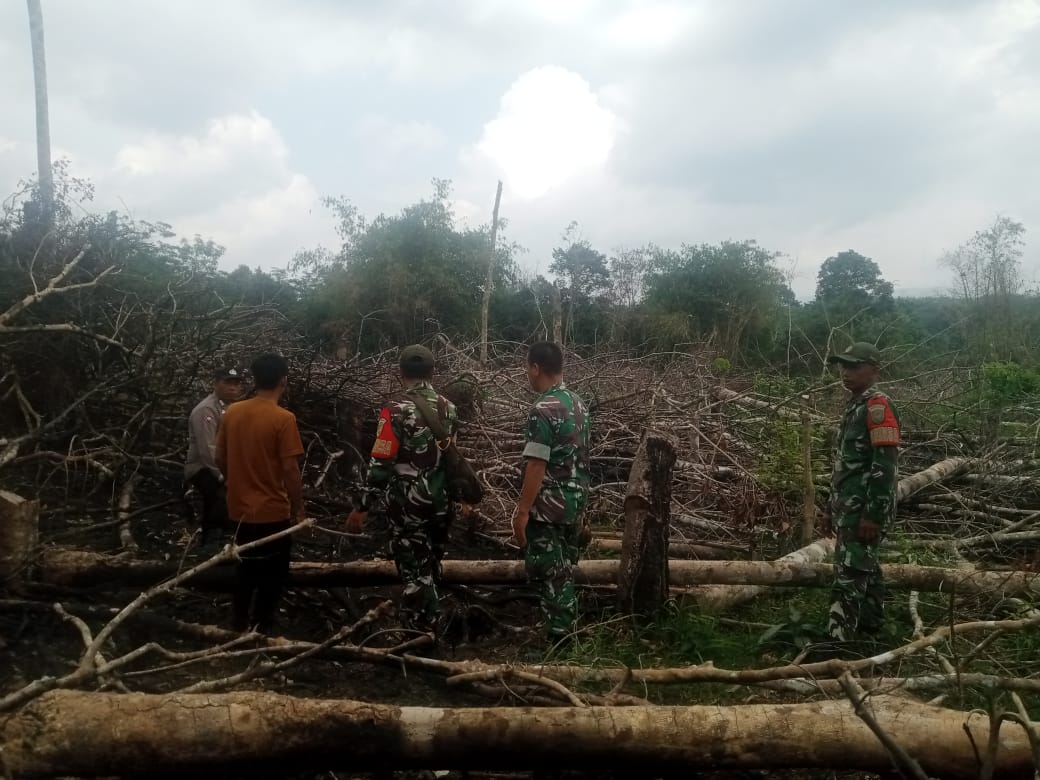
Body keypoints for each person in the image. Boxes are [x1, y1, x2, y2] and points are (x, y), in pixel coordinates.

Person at [346, 345, 457, 633]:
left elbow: (381, 464)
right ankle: (431, 625)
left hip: (409, 506)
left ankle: (422, 635)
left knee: (414, 573)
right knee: (430, 566)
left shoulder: (394, 411)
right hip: (442, 503)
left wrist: (362, 506)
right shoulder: (448, 408)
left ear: (401, 372)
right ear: (432, 372)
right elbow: (449, 459)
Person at [216, 353, 305, 634]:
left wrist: (236, 481)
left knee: (244, 569)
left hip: (238, 508)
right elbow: (290, 469)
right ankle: (262, 628)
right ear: (284, 380)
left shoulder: (233, 412)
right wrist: (299, 508)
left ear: (254, 380)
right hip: (272, 512)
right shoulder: (284, 419)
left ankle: (238, 623)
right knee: (273, 575)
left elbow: (219, 457)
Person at [512, 341, 590, 642]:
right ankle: (564, 633)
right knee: (565, 570)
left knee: (550, 574)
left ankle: (560, 640)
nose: (526, 374)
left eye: (526, 367)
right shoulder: (578, 404)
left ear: (535, 367)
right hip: (575, 503)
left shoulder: (542, 409)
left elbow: (536, 464)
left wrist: (522, 512)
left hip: (549, 508)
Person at [822, 342, 900, 643]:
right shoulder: (855, 405)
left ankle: (838, 642)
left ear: (873, 370)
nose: (846, 372)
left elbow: (885, 465)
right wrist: (830, 507)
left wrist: (873, 514)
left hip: (863, 510)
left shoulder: (878, 407)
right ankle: (870, 629)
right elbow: (846, 466)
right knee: (865, 566)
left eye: (854, 366)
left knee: (849, 573)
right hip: (849, 506)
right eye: (843, 366)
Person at [184, 366, 245, 548]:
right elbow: (208, 450)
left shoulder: (232, 408)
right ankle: (212, 540)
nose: (233, 387)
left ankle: (232, 536)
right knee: (221, 493)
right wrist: (223, 476)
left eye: (236, 383)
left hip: (224, 464)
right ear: (216, 383)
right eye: (228, 382)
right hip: (202, 467)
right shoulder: (206, 410)